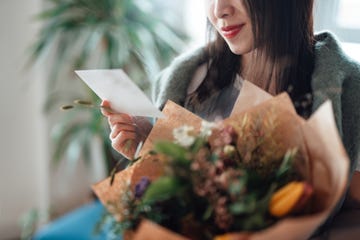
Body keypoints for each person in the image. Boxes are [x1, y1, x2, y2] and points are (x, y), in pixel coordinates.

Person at [101, 0, 360, 231]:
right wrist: (148, 148)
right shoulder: (186, 80)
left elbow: (351, 210)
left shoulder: (346, 90)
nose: (219, 9)